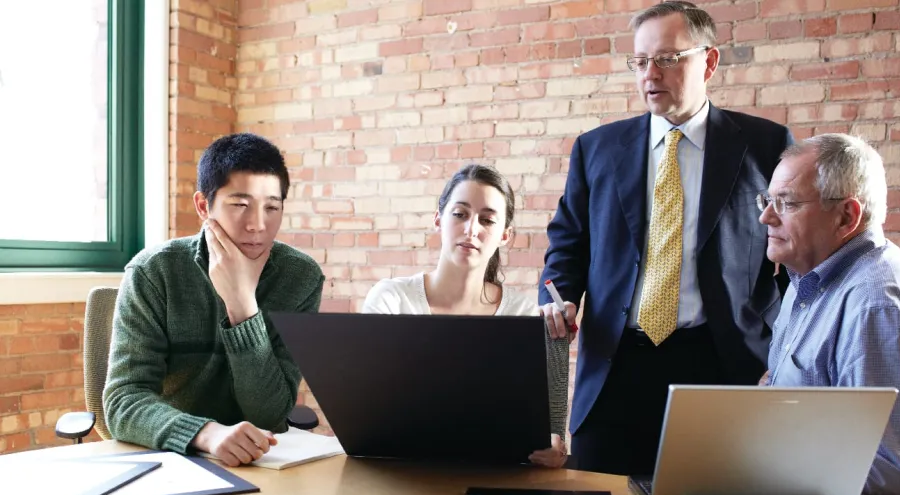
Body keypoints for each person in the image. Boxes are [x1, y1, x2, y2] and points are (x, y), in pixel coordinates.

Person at [539, 1, 794, 476]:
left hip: (722, 366)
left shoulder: (765, 145)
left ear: (709, 61)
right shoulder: (597, 148)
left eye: (667, 59)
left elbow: (794, 260)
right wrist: (558, 297)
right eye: (640, 61)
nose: (649, 74)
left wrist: (782, 351)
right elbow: (567, 246)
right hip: (616, 366)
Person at [104, 133, 325, 467]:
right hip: (169, 458)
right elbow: (123, 401)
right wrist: (206, 434)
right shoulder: (154, 271)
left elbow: (270, 413)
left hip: (261, 461)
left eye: (272, 207)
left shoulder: (301, 277)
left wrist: (242, 304)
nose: (258, 225)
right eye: (240, 205)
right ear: (203, 206)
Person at [760, 134, 900, 495]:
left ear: (846, 216)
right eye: (767, 200)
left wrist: (755, 467)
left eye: (787, 203)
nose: (766, 216)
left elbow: (894, 470)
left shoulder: (879, 304)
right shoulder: (808, 275)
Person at [363, 164, 569, 468]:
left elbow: (545, 424)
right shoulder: (391, 300)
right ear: (438, 219)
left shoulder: (522, 314)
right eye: (460, 214)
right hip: (400, 470)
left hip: (495, 474)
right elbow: (368, 408)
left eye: (487, 220)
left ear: (505, 235)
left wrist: (553, 443)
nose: (471, 229)